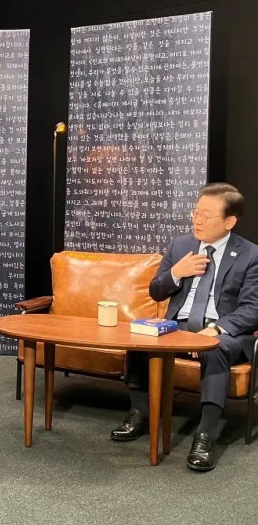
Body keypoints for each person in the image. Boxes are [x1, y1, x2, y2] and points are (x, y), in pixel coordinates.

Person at [110, 182, 258, 471]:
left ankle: (205, 434)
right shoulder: (181, 245)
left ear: (229, 222)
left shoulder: (251, 255)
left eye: (206, 216)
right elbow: (156, 291)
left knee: (215, 349)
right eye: (195, 212)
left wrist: (215, 330)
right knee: (141, 336)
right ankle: (140, 412)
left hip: (222, 332)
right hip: (177, 326)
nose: (197, 220)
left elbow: (252, 308)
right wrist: (176, 273)